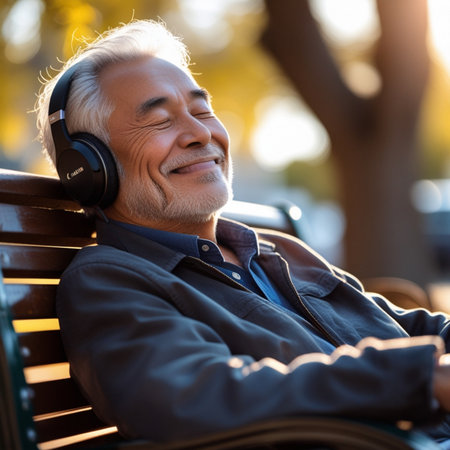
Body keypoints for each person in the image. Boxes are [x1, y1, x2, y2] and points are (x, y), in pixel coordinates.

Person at [35, 19, 450, 446]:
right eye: (160, 121)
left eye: (202, 111)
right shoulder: (109, 282)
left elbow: (405, 326)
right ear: (89, 167)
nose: (201, 134)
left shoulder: (276, 251)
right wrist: (419, 380)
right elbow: (194, 399)